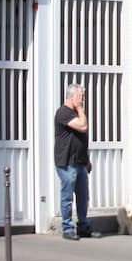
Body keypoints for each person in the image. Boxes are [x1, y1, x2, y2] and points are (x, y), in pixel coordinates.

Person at [54, 83, 100, 240]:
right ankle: (67, 228)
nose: (83, 100)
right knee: (67, 196)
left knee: (83, 196)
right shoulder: (63, 113)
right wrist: (80, 108)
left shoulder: (78, 114)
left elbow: (82, 138)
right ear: (72, 96)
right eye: (81, 96)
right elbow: (82, 127)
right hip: (67, 162)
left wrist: (87, 159)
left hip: (80, 162)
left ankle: (83, 226)